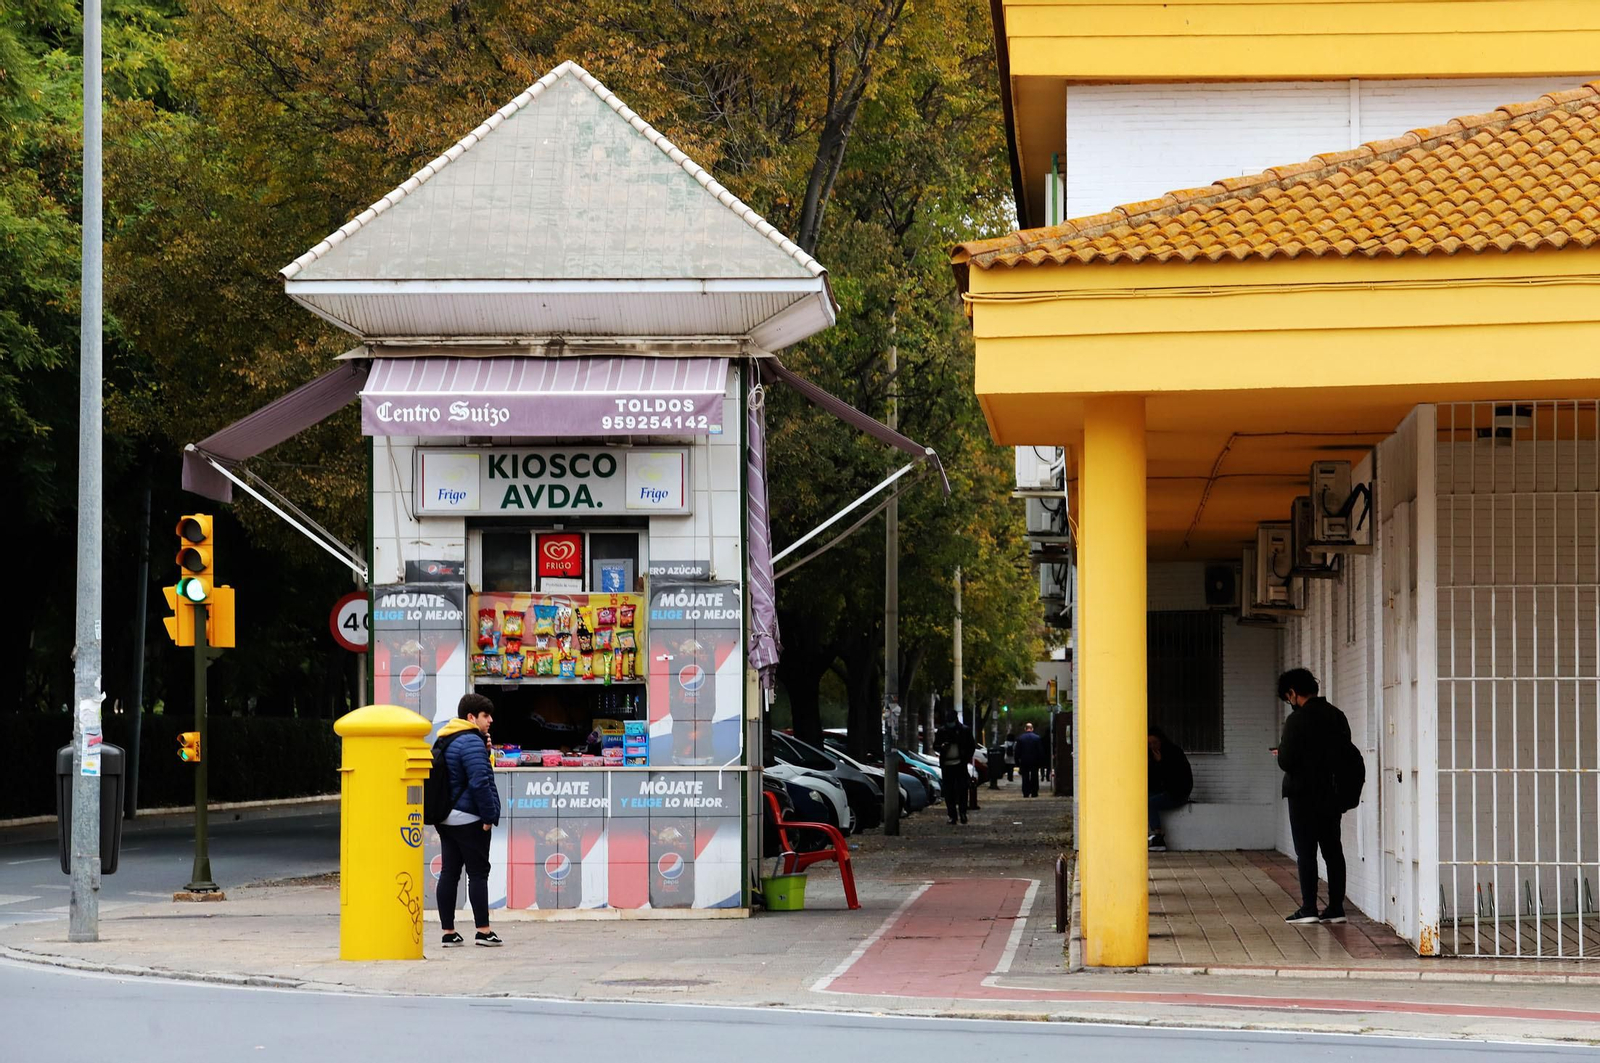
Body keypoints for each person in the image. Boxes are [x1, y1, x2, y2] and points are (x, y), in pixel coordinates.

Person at [1276, 668, 1351, 925]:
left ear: (1293, 693)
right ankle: (1336, 907)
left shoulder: (1296, 721)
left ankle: (1309, 908)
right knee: (1333, 850)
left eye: (1288, 697)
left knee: (1306, 852)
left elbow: (1287, 760)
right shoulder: (1336, 716)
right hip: (1331, 793)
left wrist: (1280, 754)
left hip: (1302, 795)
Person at [434, 693, 503, 947]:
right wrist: (488, 816)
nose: (490, 720)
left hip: (445, 819)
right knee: (478, 873)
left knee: (449, 872)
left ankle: (448, 932)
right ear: (471, 717)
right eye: (486, 716)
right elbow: (479, 782)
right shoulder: (471, 741)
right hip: (469, 819)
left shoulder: (446, 738)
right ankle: (483, 931)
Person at [1146, 727, 1193, 852]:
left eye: (1155, 743)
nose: (1152, 746)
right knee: (1142, 799)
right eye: (1149, 744)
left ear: (1161, 741)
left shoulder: (1174, 753)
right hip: (1164, 790)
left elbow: (1173, 778)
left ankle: (1158, 836)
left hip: (1177, 792)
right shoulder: (1151, 755)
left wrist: (1160, 763)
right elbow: (1153, 779)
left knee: (1150, 803)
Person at [933, 711, 977, 825]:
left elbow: (971, 746)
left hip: (960, 764)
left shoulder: (964, 731)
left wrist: (966, 758)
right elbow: (936, 746)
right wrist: (942, 747)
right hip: (947, 765)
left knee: (962, 789)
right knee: (949, 791)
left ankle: (962, 813)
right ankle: (952, 815)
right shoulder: (942, 731)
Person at [1014, 722, 1045, 797]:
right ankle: (1034, 792)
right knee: (1034, 776)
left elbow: (1017, 751)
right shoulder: (1037, 738)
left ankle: (1026, 792)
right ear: (1032, 729)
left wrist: (1017, 761)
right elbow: (1040, 750)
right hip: (1034, 760)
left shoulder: (1020, 738)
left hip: (1024, 760)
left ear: (1025, 729)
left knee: (1025, 777)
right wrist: (1041, 761)